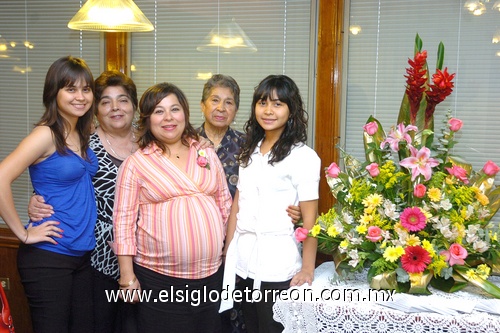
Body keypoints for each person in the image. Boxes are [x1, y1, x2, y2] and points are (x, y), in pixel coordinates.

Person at [113, 82, 232, 333]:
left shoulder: (206, 153)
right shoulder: (136, 163)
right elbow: (122, 223)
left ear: (185, 114)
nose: (168, 118)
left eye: (174, 109)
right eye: (158, 111)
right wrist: (127, 276)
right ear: (147, 119)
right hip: (159, 279)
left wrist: (228, 258)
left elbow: (225, 205)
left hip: (211, 276)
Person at [0, 55, 98, 333]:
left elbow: (59, 180)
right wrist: (23, 233)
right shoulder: (45, 134)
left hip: (80, 255)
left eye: (86, 89)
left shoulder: (80, 132)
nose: (80, 97)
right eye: (70, 89)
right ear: (53, 92)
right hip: (49, 256)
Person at [220, 74, 320, 333]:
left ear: (292, 109)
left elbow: (310, 219)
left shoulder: (303, 157)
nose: (268, 110)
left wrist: (308, 268)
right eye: (262, 103)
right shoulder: (249, 151)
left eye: (278, 104)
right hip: (243, 261)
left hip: (278, 263)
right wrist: (228, 251)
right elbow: (237, 207)